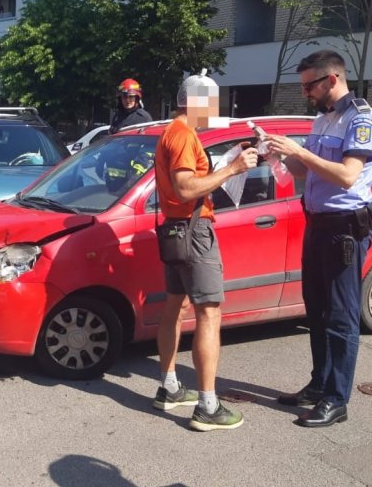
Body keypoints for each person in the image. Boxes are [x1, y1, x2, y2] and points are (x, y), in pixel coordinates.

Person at [266, 50, 372, 428]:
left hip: (344, 227)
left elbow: (346, 176)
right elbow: (302, 172)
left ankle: (337, 399)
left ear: (332, 79)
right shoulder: (322, 119)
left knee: (342, 317)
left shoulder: (359, 118)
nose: (305, 92)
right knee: (318, 310)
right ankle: (319, 383)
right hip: (318, 224)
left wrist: (299, 152)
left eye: (310, 84)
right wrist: (278, 155)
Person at [153, 71, 258, 431]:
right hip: (194, 231)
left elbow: (187, 179)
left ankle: (169, 387)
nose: (216, 109)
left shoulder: (174, 133)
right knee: (208, 314)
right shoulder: (183, 135)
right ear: (196, 102)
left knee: (174, 306)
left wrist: (228, 160)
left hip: (174, 230)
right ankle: (208, 406)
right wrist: (232, 168)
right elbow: (185, 188)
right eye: (212, 103)